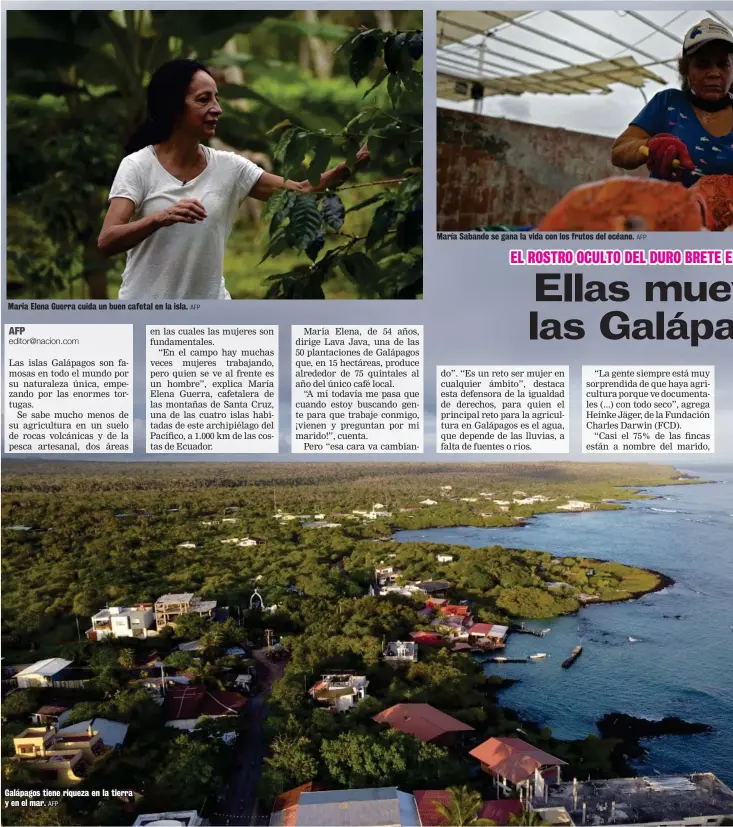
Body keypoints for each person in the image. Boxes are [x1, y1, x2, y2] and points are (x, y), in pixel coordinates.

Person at [98, 59, 367, 300]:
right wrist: (161, 217)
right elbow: (107, 240)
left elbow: (300, 190)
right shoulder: (138, 165)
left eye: (216, 98)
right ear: (173, 107)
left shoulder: (230, 167)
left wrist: (352, 164)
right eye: (204, 100)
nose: (217, 109)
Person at [611, 18, 733, 187]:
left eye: (722, 64)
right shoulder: (668, 103)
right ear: (686, 70)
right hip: (668, 212)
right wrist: (649, 146)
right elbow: (619, 151)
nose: (714, 73)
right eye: (702, 64)